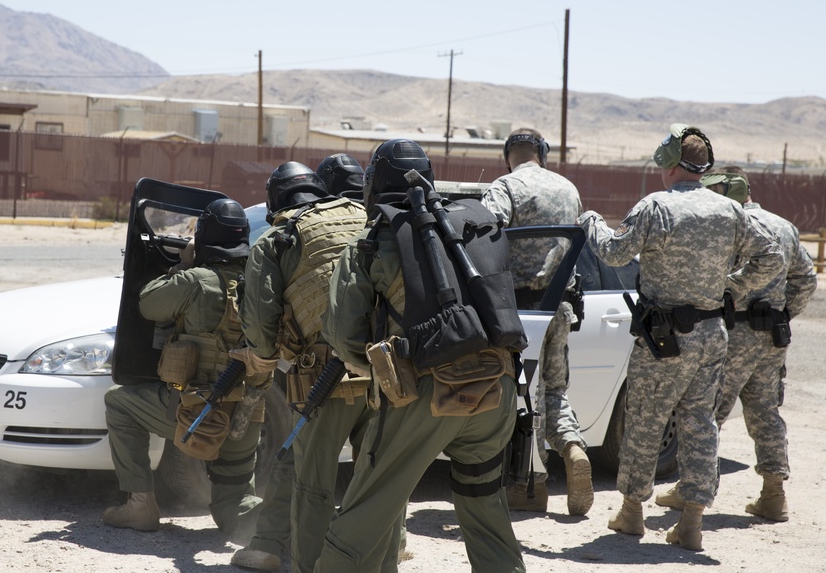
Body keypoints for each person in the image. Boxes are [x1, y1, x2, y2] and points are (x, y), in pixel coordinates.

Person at [317, 138, 527, 572]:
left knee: (366, 509)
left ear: (374, 186)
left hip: (423, 395)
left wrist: (382, 367)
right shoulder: (475, 224)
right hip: (497, 388)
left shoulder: (374, 240)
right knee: (485, 508)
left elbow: (343, 335)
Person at [577, 125, 783, 551]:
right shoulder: (729, 210)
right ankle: (691, 523)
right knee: (700, 424)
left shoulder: (656, 207)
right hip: (712, 334)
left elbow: (615, 253)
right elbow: (772, 256)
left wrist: (592, 222)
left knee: (646, 421)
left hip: (665, 338)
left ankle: (632, 513)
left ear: (669, 163)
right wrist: (731, 287)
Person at [230, 160, 378, 573]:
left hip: (325, 376)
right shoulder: (366, 216)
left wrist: (258, 364)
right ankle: (387, 549)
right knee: (378, 474)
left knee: (305, 474)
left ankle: (286, 554)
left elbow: (260, 329)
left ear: (274, 199)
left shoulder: (278, 239)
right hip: (389, 370)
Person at [656, 166, 817, 522]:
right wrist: (783, 313)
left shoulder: (728, 226)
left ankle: (693, 493)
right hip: (771, 337)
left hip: (733, 334)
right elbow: (806, 280)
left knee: (705, 414)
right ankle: (773, 493)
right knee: (765, 413)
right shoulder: (783, 227)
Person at [102, 197, 264, 537]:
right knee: (235, 504)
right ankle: (273, 531)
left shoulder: (197, 280)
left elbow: (148, 303)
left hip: (195, 411)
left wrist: (183, 264)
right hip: (246, 412)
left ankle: (140, 505)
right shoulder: (262, 281)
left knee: (119, 402)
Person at [481, 127, 593, 516]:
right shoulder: (568, 188)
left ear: (507, 155)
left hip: (520, 312)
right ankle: (573, 446)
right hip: (560, 306)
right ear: (541, 154)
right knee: (555, 390)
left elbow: (482, 238)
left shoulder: (504, 187)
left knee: (521, 398)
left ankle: (532, 486)